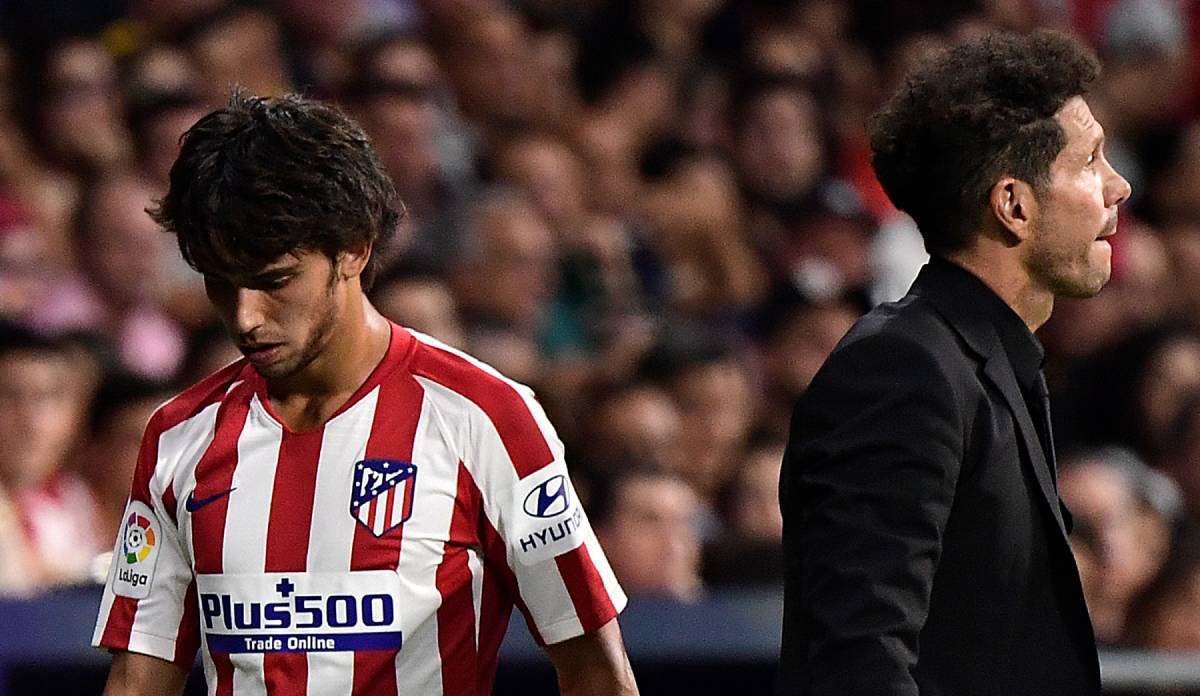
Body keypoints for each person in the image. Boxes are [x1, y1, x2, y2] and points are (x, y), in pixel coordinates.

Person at [93, 92, 637, 696]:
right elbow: (138, 682)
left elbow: (597, 674)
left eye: (274, 281)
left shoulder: (486, 418)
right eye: (220, 284)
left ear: (354, 246)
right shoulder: (178, 436)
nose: (245, 317)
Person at [777, 30, 1131, 696]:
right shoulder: (902, 369)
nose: (1119, 186)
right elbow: (859, 664)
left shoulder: (990, 363)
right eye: (1091, 161)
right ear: (1014, 205)